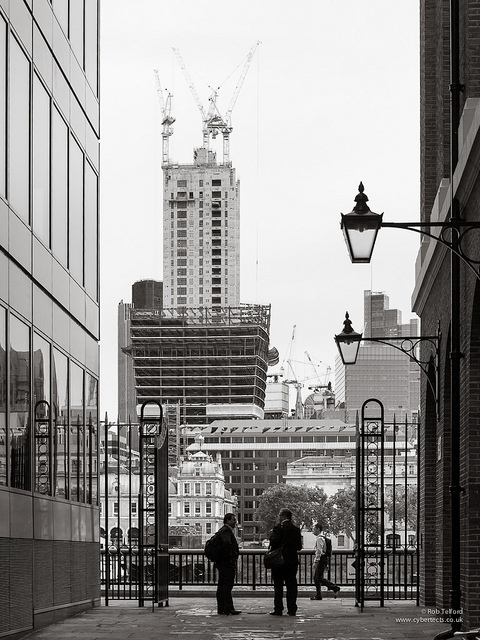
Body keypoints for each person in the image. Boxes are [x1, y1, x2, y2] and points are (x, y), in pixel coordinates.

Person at [268, 508, 303, 616]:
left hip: (279, 561)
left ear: (283, 516)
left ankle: (278, 609)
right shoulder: (296, 529)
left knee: (278, 586)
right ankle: (292, 609)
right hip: (291, 561)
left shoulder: (278, 528)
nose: (278, 517)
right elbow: (299, 547)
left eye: (279, 515)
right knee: (291, 585)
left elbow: (274, 543)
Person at [215, 513, 241, 615]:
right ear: (228, 520)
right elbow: (227, 545)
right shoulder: (226, 531)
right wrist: (231, 557)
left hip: (222, 562)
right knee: (227, 586)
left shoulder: (222, 530)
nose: (235, 522)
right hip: (226, 563)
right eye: (234, 520)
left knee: (222, 585)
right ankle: (228, 608)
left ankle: (221, 608)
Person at [310, 522, 340, 600]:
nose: (313, 530)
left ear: (318, 529)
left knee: (318, 578)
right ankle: (318, 595)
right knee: (316, 578)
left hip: (321, 560)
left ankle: (335, 587)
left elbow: (319, 551)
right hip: (323, 559)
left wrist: (316, 561)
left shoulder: (319, 539)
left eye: (314, 529)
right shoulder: (322, 538)